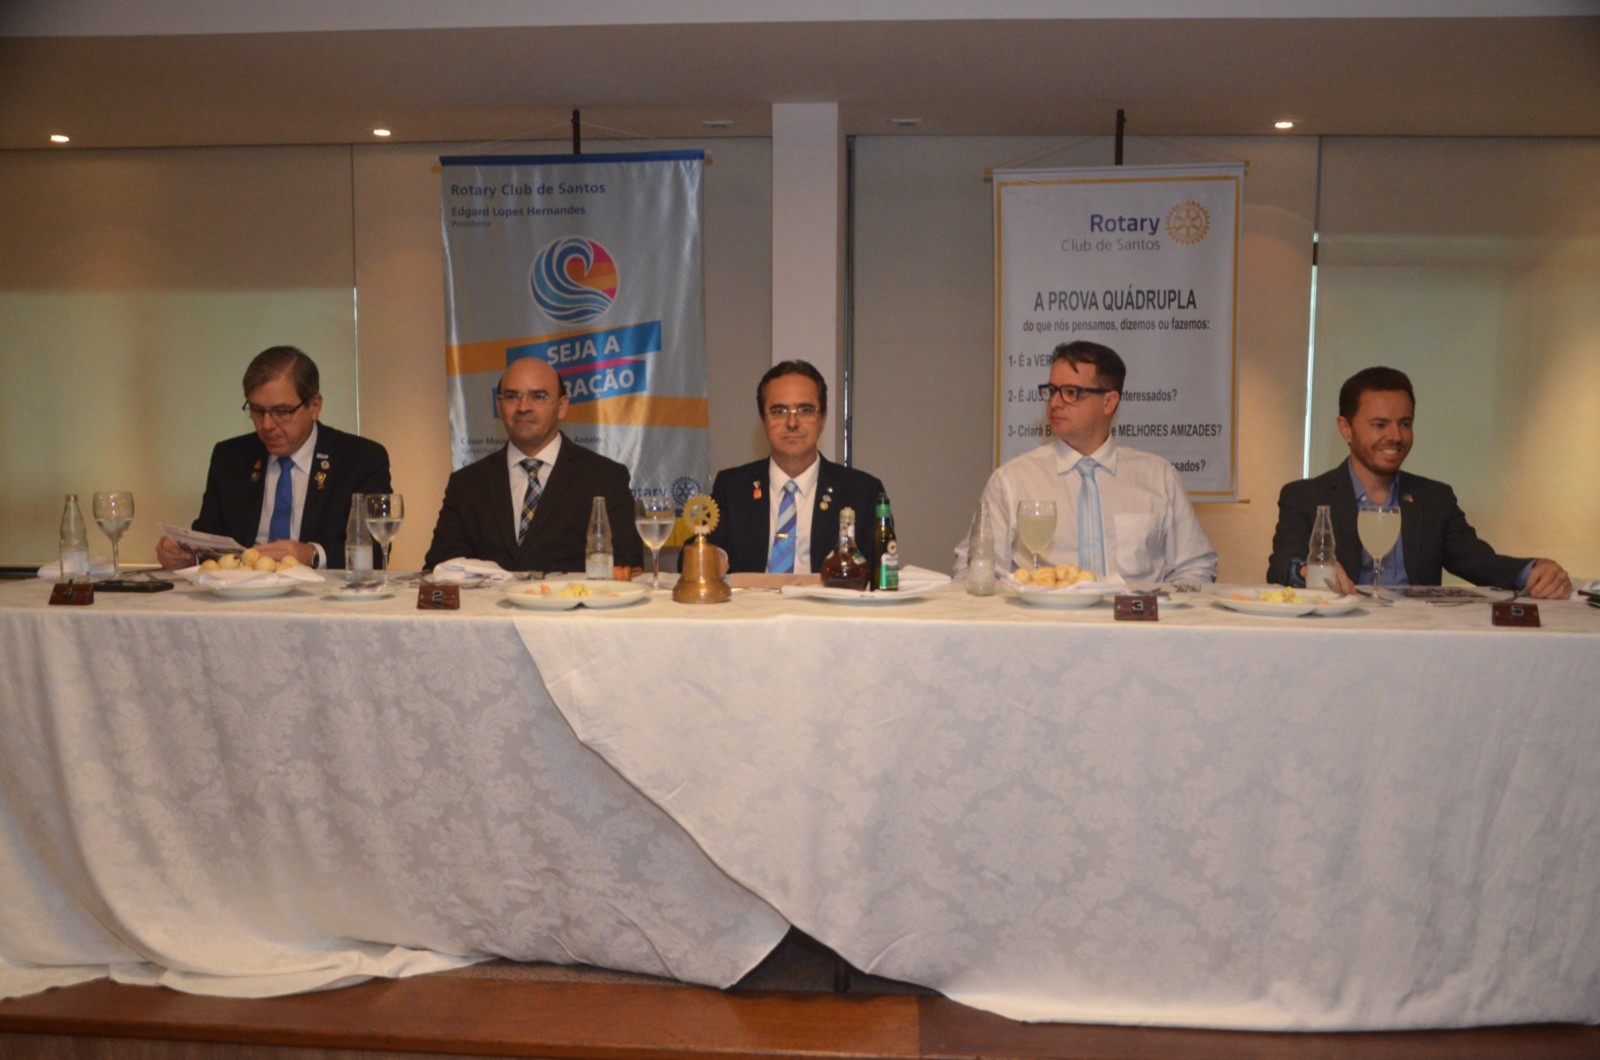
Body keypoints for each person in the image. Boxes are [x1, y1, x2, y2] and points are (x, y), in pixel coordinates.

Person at [1267, 366, 1571, 598]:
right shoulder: (1304, 496)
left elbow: (1478, 562)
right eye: (1380, 425)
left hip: (1421, 643)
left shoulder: (1435, 498)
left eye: (1405, 423)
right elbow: (1281, 565)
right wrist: (1310, 570)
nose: (1395, 436)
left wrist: (1533, 571)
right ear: (1346, 429)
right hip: (1340, 639)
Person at [954, 340, 1217, 584]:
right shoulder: (1013, 480)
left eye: (1071, 392)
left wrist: (1166, 612)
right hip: (1045, 618)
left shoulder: (1158, 476)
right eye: (1052, 391)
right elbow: (974, 569)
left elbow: (1196, 567)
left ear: (1109, 402)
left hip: (1132, 618)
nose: (1055, 403)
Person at [156, 346, 391, 570]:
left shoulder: (360, 459)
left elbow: (375, 552)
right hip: (241, 593)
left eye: (282, 412)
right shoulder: (230, 458)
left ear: (314, 406)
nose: (267, 425)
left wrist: (312, 555)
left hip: (320, 593)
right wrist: (185, 554)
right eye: (257, 411)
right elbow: (209, 536)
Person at [424, 356, 642, 572]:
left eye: (538, 396)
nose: (523, 407)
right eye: (512, 396)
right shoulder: (466, 484)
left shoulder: (605, 478)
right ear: (500, 406)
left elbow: (626, 565)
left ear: (562, 406)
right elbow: (440, 570)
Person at [708, 360, 886, 574]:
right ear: (763, 420)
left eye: (805, 410)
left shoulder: (863, 492)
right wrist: (712, 556)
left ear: (823, 419)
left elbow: (882, 570)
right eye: (779, 411)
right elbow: (693, 552)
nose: (792, 423)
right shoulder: (731, 487)